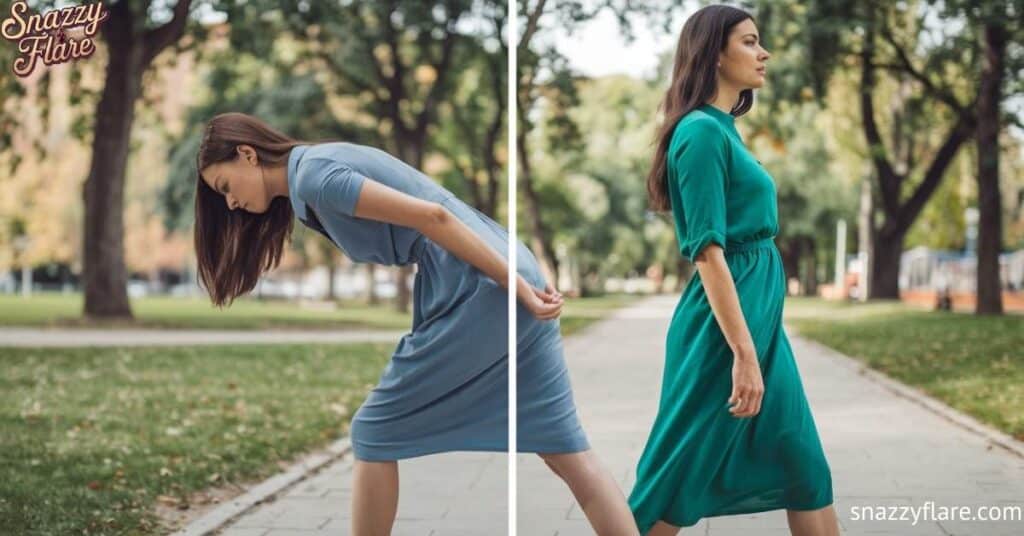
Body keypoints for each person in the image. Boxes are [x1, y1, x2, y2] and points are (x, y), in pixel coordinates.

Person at [192, 112, 637, 535]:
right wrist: (519, 278)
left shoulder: (314, 176)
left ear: (248, 154)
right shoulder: (312, 177)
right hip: (504, 266)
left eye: (225, 185)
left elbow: (434, 216)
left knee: (373, 431)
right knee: (567, 452)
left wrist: (514, 286)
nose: (229, 201)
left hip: (482, 285)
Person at [627, 5, 840, 536]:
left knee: (804, 467)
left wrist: (757, 343)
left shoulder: (722, 129)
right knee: (673, 479)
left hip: (758, 323)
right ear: (714, 54)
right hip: (724, 334)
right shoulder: (699, 133)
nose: (763, 52)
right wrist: (743, 355)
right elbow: (707, 253)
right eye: (749, 42)